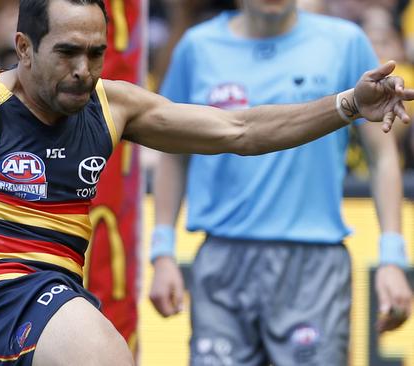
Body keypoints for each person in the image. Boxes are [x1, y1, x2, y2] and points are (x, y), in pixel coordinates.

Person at [0, 0, 413, 365]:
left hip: (61, 296)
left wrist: (345, 105)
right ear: (24, 48)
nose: (83, 70)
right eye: (66, 53)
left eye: (96, 53)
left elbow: (239, 130)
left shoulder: (112, 107)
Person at [148, 1, 413, 365]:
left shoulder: (345, 42)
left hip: (313, 266)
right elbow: (172, 152)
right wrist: (162, 252)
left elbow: (383, 157)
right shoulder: (197, 47)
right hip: (222, 263)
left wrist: (392, 258)